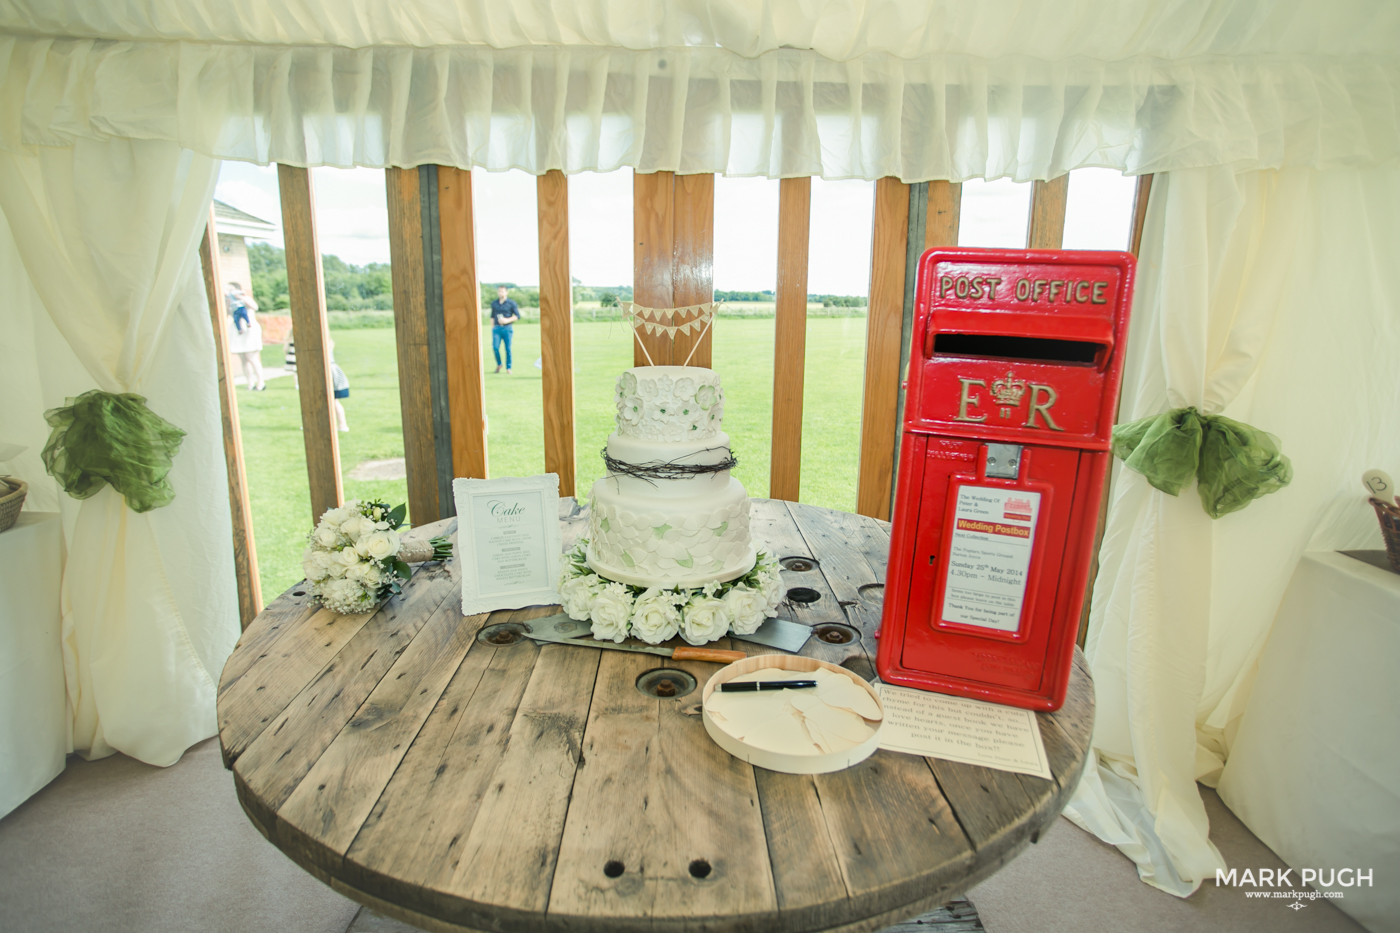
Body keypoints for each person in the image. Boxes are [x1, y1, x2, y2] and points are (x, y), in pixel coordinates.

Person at [225, 282, 265, 391]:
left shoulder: (245, 298)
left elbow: (254, 307)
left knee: (252, 357)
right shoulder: (230, 302)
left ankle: (261, 382)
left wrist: (240, 297)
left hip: (249, 329)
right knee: (243, 359)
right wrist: (228, 303)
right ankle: (250, 383)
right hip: (238, 330)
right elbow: (227, 314)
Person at [490, 285, 519, 374]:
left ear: (506, 292)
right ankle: (499, 364)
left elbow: (517, 316)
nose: (500, 293)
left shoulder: (511, 303)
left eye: (502, 291)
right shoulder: (494, 303)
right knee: (495, 347)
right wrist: (493, 327)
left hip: (507, 328)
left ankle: (508, 368)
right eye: (499, 291)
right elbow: (492, 316)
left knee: (508, 349)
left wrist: (507, 320)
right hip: (497, 328)